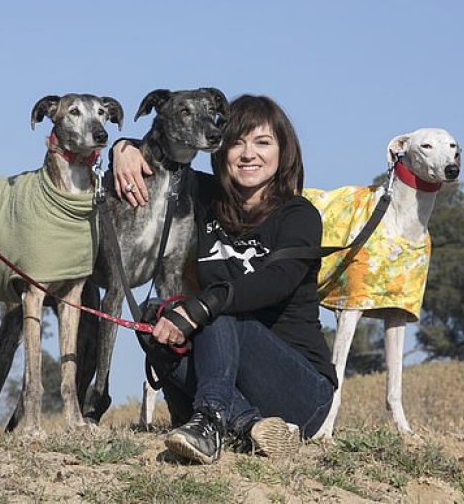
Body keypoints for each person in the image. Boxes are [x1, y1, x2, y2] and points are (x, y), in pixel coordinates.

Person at [111, 94, 337, 465]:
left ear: (284, 152)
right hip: (228, 382)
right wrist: (123, 148)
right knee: (155, 314)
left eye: (263, 143)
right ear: (219, 148)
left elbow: (276, 280)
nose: (248, 154)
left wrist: (202, 306)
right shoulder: (201, 196)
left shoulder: (299, 214)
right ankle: (247, 425)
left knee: (220, 307)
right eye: (236, 142)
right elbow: (162, 155)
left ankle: (212, 419)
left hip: (301, 392)